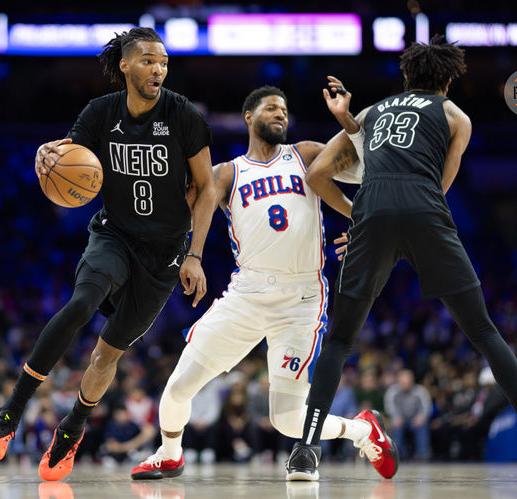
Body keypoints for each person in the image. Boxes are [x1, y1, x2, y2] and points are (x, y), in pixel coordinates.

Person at [287, 35, 517, 482]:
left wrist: (363, 219)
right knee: (485, 333)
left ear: (406, 77)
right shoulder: (454, 115)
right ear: (446, 79)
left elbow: (315, 174)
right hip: (425, 211)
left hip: (373, 211)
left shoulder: (370, 114)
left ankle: (304, 455)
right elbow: (439, 188)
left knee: (340, 342)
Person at [0, 27, 216, 481]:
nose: (158, 69)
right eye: (147, 60)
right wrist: (46, 154)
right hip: (115, 236)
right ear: (124, 65)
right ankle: (9, 414)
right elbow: (64, 153)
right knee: (81, 303)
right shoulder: (101, 113)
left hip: (164, 254)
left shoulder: (182, 115)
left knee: (107, 355)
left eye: (163, 62)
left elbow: (207, 188)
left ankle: (71, 429)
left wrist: (195, 254)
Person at [129, 86, 388, 481]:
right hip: (246, 295)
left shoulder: (305, 153)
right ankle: (169, 453)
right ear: (249, 116)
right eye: (271, 108)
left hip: (300, 299)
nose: (280, 114)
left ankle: (362, 430)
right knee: (177, 389)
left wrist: (348, 125)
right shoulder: (228, 173)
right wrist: (192, 256)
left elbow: (368, 169)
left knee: (286, 419)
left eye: (284, 109)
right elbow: (187, 209)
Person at [384, 369, 432, 460]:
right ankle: (397, 455)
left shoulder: (421, 391)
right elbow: (389, 406)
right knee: (396, 426)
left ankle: (423, 454)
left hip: (416, 420)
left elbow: (426, 407)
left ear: (412, 381)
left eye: (408, 382)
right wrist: (396, 417)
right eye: (403, 382)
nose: (406, 385)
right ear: (398, 381)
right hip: (399, 420)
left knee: (422, 425)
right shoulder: (392, 391)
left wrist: (421, 417)